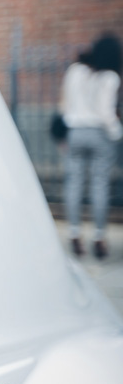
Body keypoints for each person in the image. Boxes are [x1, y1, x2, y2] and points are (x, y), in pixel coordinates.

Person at [60, 33, 123, 259]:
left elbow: (65, 105)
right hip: (99, 134)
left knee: (74, 183)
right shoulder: (110, 77)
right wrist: (117, 134)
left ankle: (74, 233)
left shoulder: (75, 71)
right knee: (99, 184)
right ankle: (98, 237)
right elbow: (107, 113)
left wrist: (65, 133)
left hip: (75, 131)